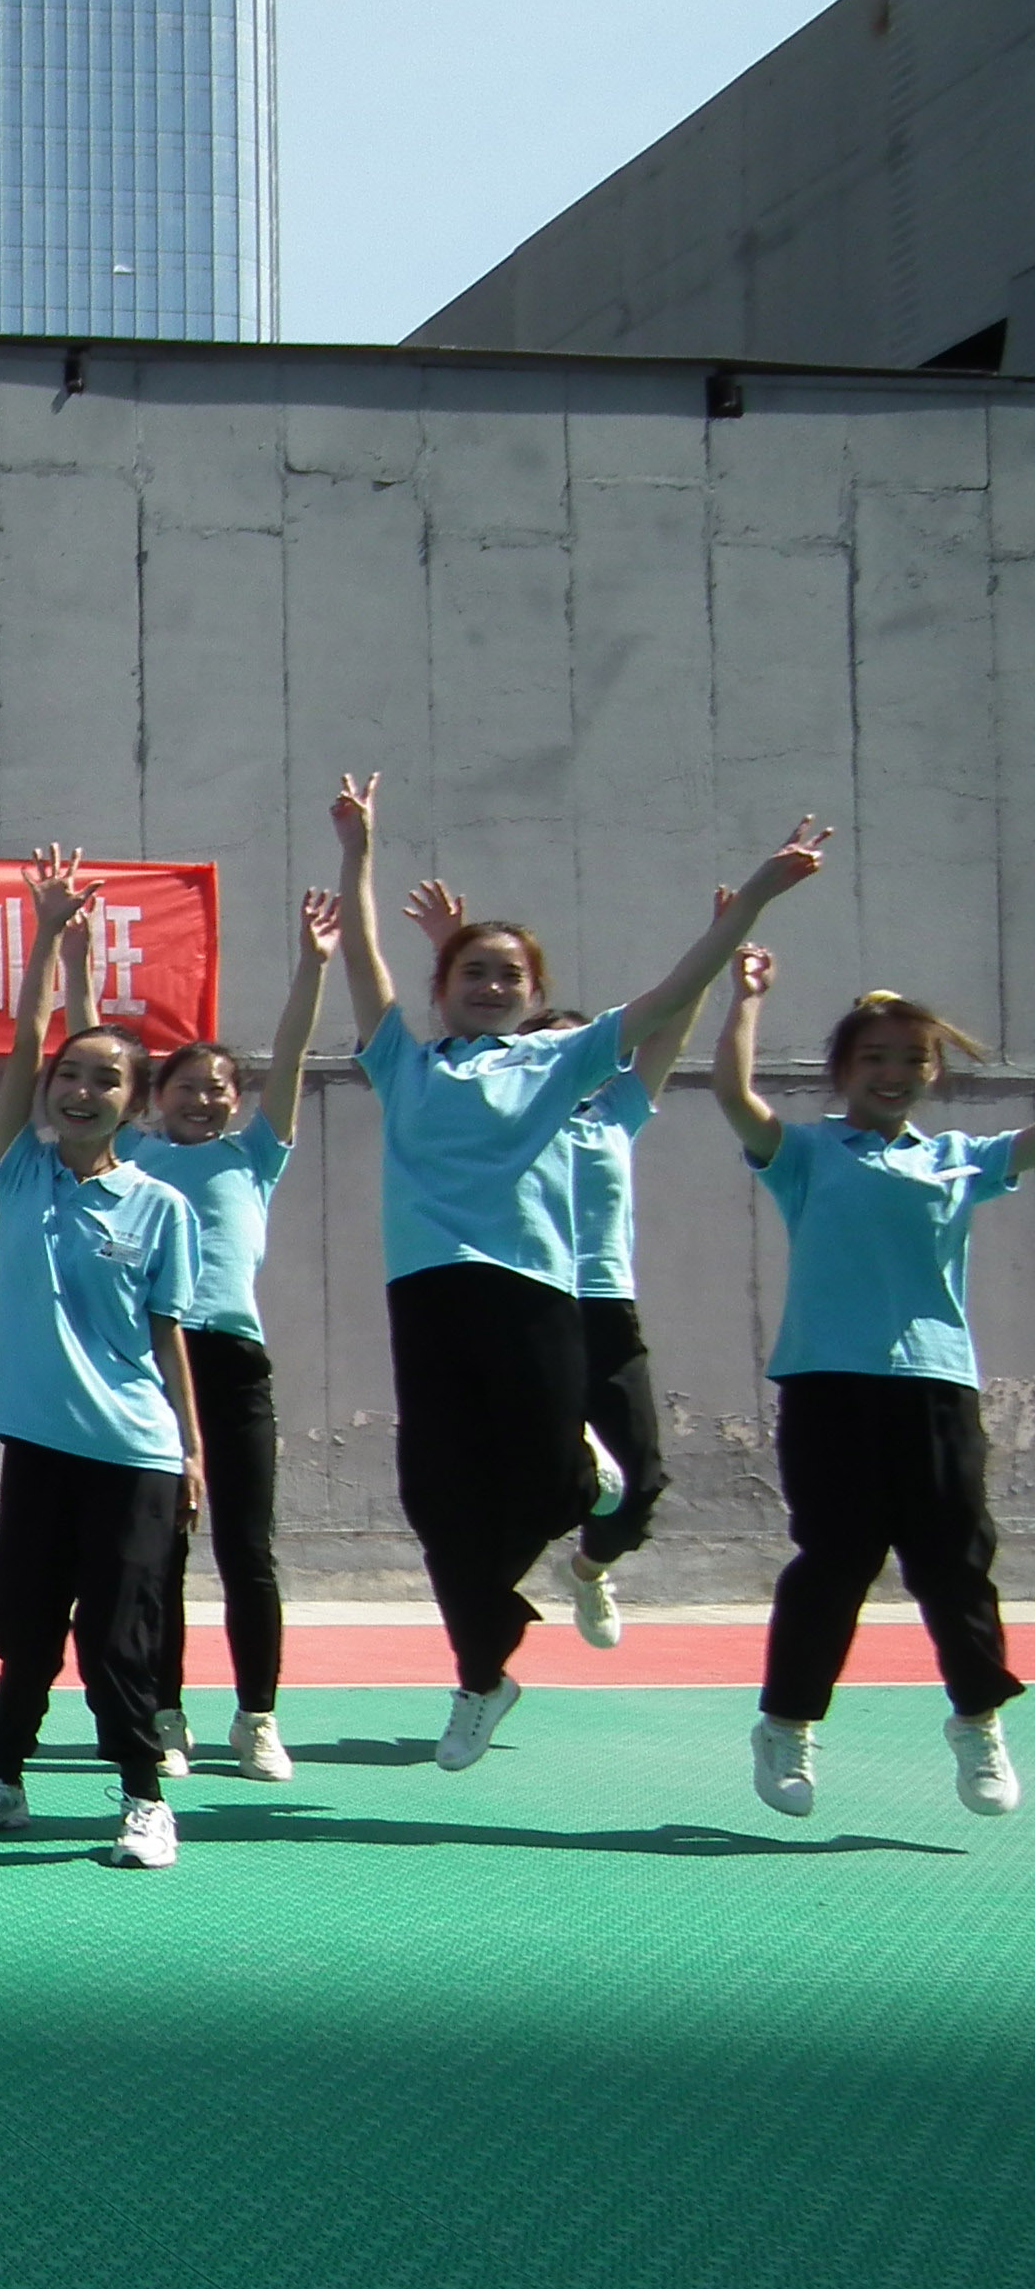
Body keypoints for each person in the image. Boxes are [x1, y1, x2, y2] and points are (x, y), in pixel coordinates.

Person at [333, 772, 828, 1768]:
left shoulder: (559, 1068)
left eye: (511, 978)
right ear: (442, 989)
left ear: (535, 997)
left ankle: (579, 1492)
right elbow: (361, 955)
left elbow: (670, 1002)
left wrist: (755, 901)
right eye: (474, 974)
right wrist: (359, 852)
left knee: (549, 1480)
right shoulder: (404, 1062)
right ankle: (485, 1675)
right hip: (425, 1295)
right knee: (435, 1501)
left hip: (533, 1293)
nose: (492, 987)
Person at [0, 853, 206, 1867]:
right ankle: (3, 1782)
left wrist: (191, 1450)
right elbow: (21, 1041)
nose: (82, 1089)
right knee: (23, 1627)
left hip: (134, 1451)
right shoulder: (22, 1174)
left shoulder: (160, 1208)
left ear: (134, 1105)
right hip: (39, 1445)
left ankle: (142, 1796)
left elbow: (168, 1335)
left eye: (107, 1079)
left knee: (118, 1638)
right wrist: (46, 934)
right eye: (70, 1075)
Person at [713, 948, 1021, 1820]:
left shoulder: (961, 1158)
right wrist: (746, 1000)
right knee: (836, 1560)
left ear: (934, 1071)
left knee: (955, 1563)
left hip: (936, 1386)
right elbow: (734, 1096)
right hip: (828, 1387)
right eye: (875, 1058)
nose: (894, 1073)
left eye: (913, 1059)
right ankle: (787, 1724)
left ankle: (977, 1720)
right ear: (843, 1071)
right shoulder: (807, 1154)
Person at [400, 876, 718, 1654]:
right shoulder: (504, 1111)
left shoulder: (615, 1113)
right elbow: (465, 1039)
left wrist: (720, 948)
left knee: (639, 1486)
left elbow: (669, 1019)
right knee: (516, 1481)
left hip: (600, 1303)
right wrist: (449, 948)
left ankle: (589, 1568)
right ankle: (490, 1620)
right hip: (527, 1303)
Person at [69, 885, 337, 1781]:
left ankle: (257, 1716)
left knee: (248, 1550)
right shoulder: (135, 1156)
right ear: (157, 1097)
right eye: (188, 1085)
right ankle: (166, 1711)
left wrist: (313, 966)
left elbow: (292, 1057)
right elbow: (90, 1049)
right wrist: (75, 959)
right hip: (154, 1364)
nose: (205, 1098)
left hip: (233, 1362)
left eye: (220, 1088)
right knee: (163, 1553)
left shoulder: (252, 1155)